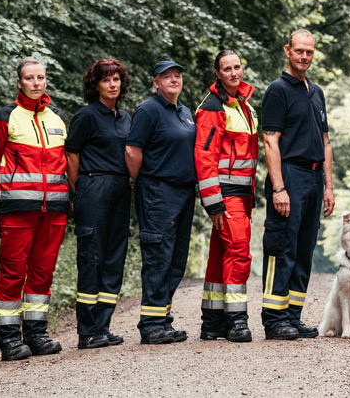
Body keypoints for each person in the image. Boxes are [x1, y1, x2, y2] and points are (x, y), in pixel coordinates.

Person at [0, 56, 67, 361]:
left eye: (40, 77)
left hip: (54, 209)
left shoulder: (57, 117)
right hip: (16, 209)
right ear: (19, 82)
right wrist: (0, 198)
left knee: (43, 272)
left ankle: (37, 334)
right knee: (13, 272)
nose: (36, 83)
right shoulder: (3, 117)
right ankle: (8, 339)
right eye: (29, 78)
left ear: (46, 81)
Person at [259, 29, 335, 340]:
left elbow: (326, 141)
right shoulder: (277, 90)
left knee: (304, 250)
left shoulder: (315, 92)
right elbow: (269, 139)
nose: (304, 56)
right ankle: (275, 320)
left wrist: (328, 186)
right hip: (289, 175)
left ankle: (293, 316)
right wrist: (279, 188)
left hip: (314, 178)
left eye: (309, 52)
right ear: (287, 50)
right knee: (281, 248)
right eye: (299, 51)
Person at [125, 60, 197, 344]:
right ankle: (151, 325)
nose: (174, 80)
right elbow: (132, 151)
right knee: (158, 257)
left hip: (184, 192)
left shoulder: (185, 112)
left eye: (177, 75)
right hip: (158, 191)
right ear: (156, 82)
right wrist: (142, 181)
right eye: (167, 76)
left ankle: (163, 319)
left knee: (176, 260)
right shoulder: (148, 110)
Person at [65, 58, 132, 349]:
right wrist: (78, 190)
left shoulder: (126, 118)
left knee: (114, 257)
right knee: (91, 258)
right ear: (96, 85)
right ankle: (87, 330)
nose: (112, 84)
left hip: (121, 188)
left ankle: (102, 327)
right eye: (106, 80)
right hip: (93, 186)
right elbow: (71, 155)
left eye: (116, 79)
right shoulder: (86, 116)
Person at [194, 50, 258, 343]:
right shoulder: (212, 108)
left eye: (237, 67)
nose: (234, 73)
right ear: (217, 74)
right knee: (239, 252)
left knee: (220, 256)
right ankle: (236, 321)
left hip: (242, 194)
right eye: (227, 69)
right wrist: (213, 202)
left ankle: (213, 323)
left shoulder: (243, 106)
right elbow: (204, 157)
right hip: (225, 193)